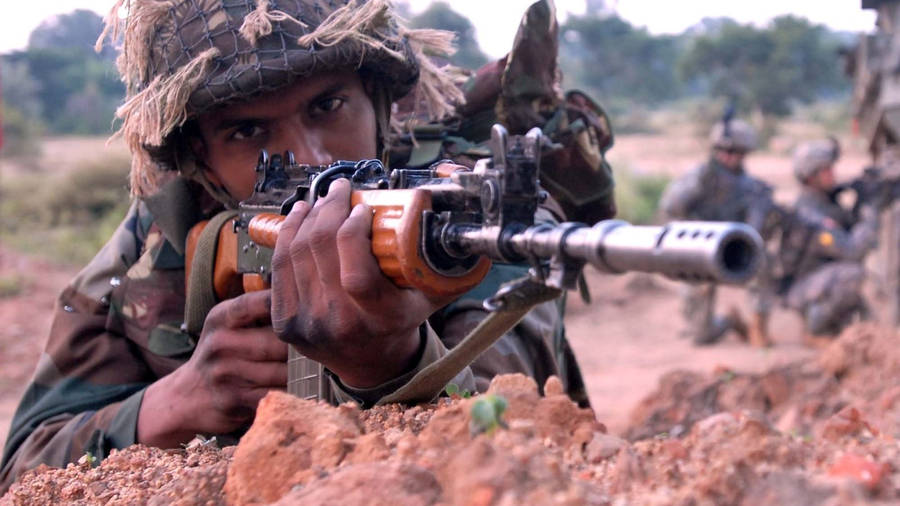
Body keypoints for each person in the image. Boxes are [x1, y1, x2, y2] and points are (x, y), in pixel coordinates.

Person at [0, 0, 611, 491]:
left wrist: (386, 365)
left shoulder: (464, 212)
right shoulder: (168, 228)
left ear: (378, 100)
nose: (317, 161)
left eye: (328, 105)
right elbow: (24, 465)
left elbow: (509, 436)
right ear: (201, 162)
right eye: (248, 131)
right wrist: (174, 403)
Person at [659, 118, 774, 347]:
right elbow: (670, 208)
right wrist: (697, 188)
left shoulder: (751, 187)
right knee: (700, 338)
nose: (728, 156)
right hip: (699, 251)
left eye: (735, 152)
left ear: (744, 154)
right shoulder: (699, 177)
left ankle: (757, 326)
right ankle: (728, 322)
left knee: (762, 261)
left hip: (734, 248)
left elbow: (756, 230)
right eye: (723, 150)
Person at [777, 139, 880, 339]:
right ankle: (815, 330)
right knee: (852, 274)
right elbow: (851, 250)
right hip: (802, 286)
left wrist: (861, 199)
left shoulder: (825, 203)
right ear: (810, 176)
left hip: (819, 281)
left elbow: (849, 228)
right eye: (826, 170)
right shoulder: (809, 213)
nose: (832, 174)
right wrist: (871, 213)